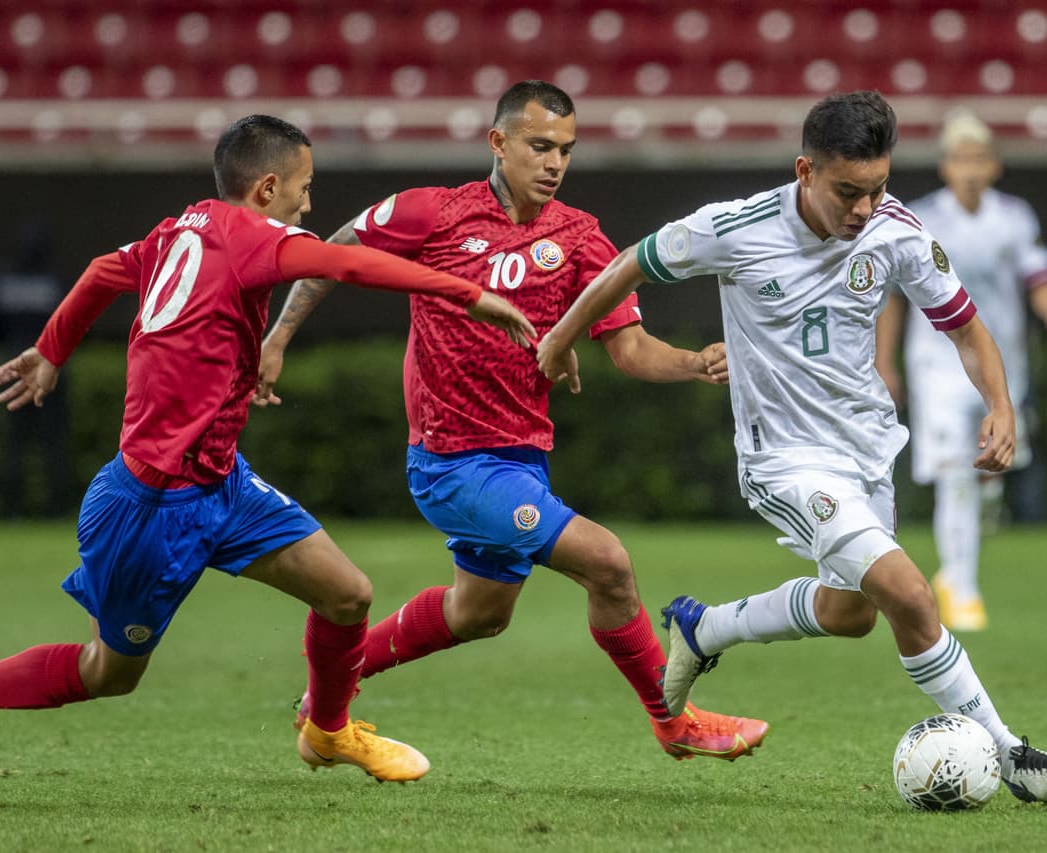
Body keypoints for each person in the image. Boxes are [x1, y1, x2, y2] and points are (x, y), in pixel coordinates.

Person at [0, 114, 536, 793]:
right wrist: (469, 292)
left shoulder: (175, 230)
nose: (309, 205)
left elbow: (105, 270)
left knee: (347, 594)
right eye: (304, 189)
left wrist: (52, 349)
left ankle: (327, 730)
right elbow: (346, 261)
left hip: (223, 484)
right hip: (152, 506)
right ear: (268, 186)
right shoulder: (260, 238)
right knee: (110, 672)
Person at [537, 91, 1047, 803]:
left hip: (865, 451)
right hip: (784, 460)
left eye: (878, 188)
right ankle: (1015, 757)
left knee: (850, 612)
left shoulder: (897, 232)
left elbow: (967, 328)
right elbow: (628, 266)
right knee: (910, 594)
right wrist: (560, 334)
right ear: (805, 170)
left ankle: (705, 627)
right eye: (848, 191)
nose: (863, 208)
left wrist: (1002, 406)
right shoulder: (734, 228)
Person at [257, 80, 768, 762]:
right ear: (498, 142)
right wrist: (277, 339)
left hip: (521, 458)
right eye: (539, 146)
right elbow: (331, 258)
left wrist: (695, 363)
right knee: (608, 563)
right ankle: (675, 720)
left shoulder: (580, 236)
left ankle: (325, 700)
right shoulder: (432, 213)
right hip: (451, 464)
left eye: (566, 149)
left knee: (480, 613)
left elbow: (631, 349)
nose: (555, 162)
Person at [874, 112, 1047, 630]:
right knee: (957, 477)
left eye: (978, 159)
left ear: (994, 166)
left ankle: (961, 563)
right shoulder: (920, 218)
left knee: (991, 471)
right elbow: (893, 298)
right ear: (945, 166)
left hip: (997, 363)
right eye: (960, 159)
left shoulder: (1014, 217)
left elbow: (1039, 275)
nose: (969, 169)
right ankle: (961, 586)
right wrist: (885, 361)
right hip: (937, 363)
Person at [0, 220, 72, 518]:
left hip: (12, 365)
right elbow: (72, 327)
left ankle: (11, 510)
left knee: (14, 444)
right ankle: (56, 509)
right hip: (52, 368)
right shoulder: (54, 281)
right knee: (53, 444)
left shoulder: (4, 281)